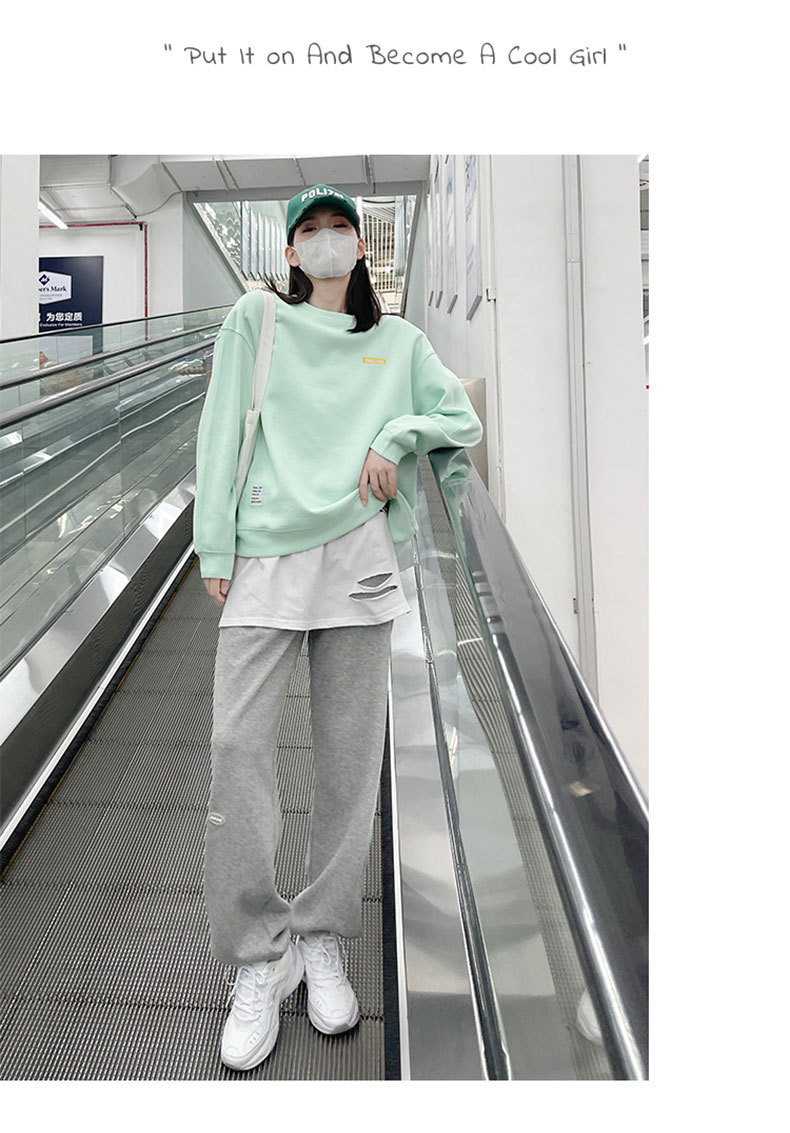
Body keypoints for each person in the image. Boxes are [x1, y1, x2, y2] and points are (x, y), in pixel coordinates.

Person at [194, 182, 483, 1072]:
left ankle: (320, 934)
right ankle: (259, 955)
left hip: (360, 560)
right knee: (236, 747)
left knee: (350, 760)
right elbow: (220, 426)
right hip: (264, 557)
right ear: (289, 252)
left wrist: (395, 436)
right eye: (309, 229)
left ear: (361, 246)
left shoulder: (400, 343)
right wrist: (213, 541)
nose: (325, 240)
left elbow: (460, 417)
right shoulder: (257, 319)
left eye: (339, 227)